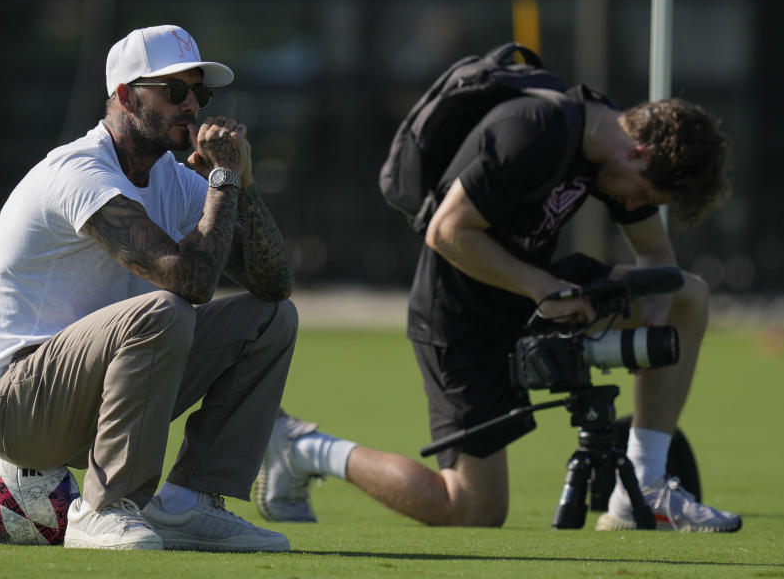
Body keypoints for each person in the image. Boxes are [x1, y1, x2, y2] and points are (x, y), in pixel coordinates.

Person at [256, 84, 742, 533]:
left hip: (536, 292)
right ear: (639, 153)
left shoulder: (610, 154)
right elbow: (445, 232)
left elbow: (657, 260)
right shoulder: (536, 130)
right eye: (644, 194)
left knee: (685, 295)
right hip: (460, 313)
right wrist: (542, 288)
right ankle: (301, 450)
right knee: (472, 510)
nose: (635, 203)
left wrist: (652, 325)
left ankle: (643, 486)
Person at [0, 25, 299, 551]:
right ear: (124, 96)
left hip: (106, 390)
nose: (191, 105)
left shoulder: (175, 177)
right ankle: (102, 508)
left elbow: (273, 284)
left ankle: (190, 501)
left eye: (199, 92)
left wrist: (244, 185)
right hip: (17, 405)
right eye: (173, 91)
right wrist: (224, 183)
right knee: (166, 309)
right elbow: (189, 282)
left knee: (271, 318)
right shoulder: (79, 172)